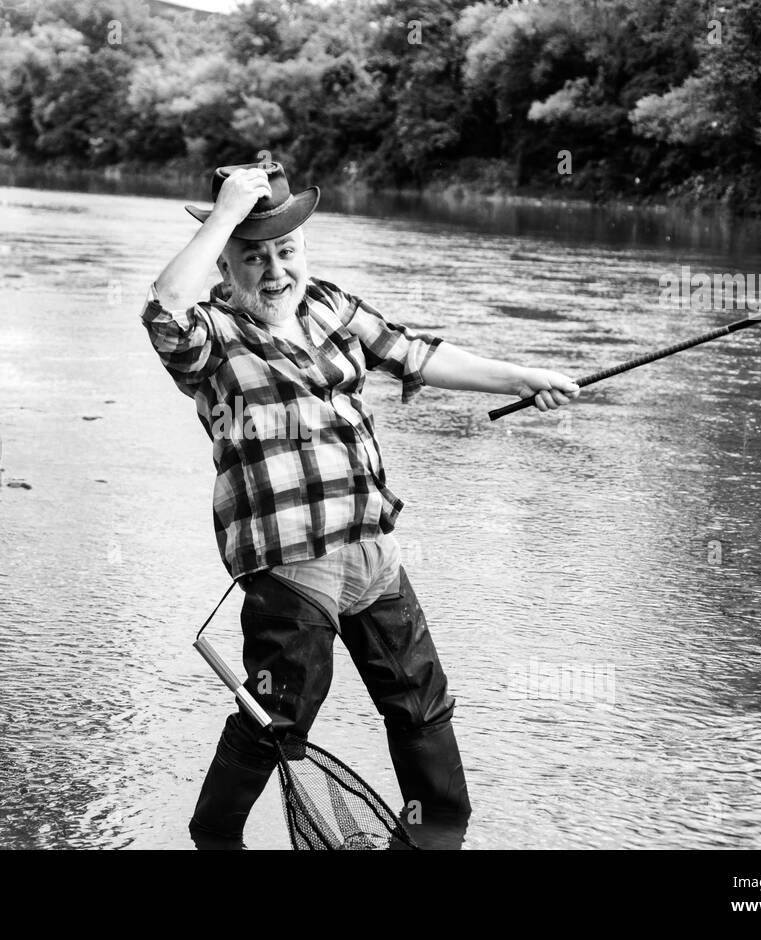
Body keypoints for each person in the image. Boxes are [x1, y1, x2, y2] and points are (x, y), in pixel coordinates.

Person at [141, 159, 579, 848]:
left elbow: (420, 356)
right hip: (291, 574)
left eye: (286, 251)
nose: (275, 270)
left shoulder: (333, 306)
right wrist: (224, 214)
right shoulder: (212, 337)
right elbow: (164, 310)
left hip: (376, 556)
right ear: (224, 265)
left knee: (423, 711)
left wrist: (522, 376)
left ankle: (438, 836)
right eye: (252, 258)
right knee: (276, 722)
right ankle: (215, 837)